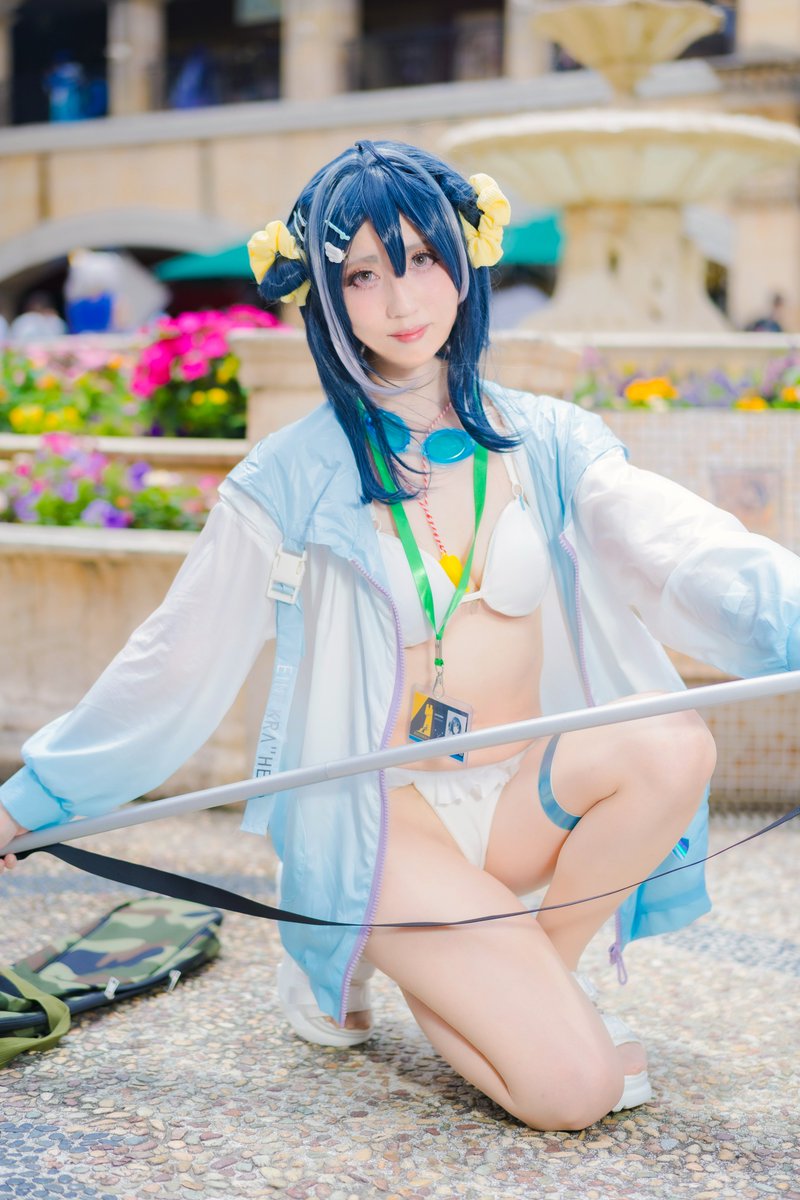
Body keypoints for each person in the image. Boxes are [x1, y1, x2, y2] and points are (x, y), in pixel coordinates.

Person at [2, 140, 800, 1131]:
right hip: (382, 818)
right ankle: (419, 959)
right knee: (576, 1094)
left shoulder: (550, 440)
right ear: (328, 299)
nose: (399, 298)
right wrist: (31, 801)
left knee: (670, 742)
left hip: (518, 798)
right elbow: (174, 660)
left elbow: (685, 548)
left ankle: (528, 978)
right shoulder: (288, 477)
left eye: (421, 258)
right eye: (361, 275)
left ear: (464, 263)